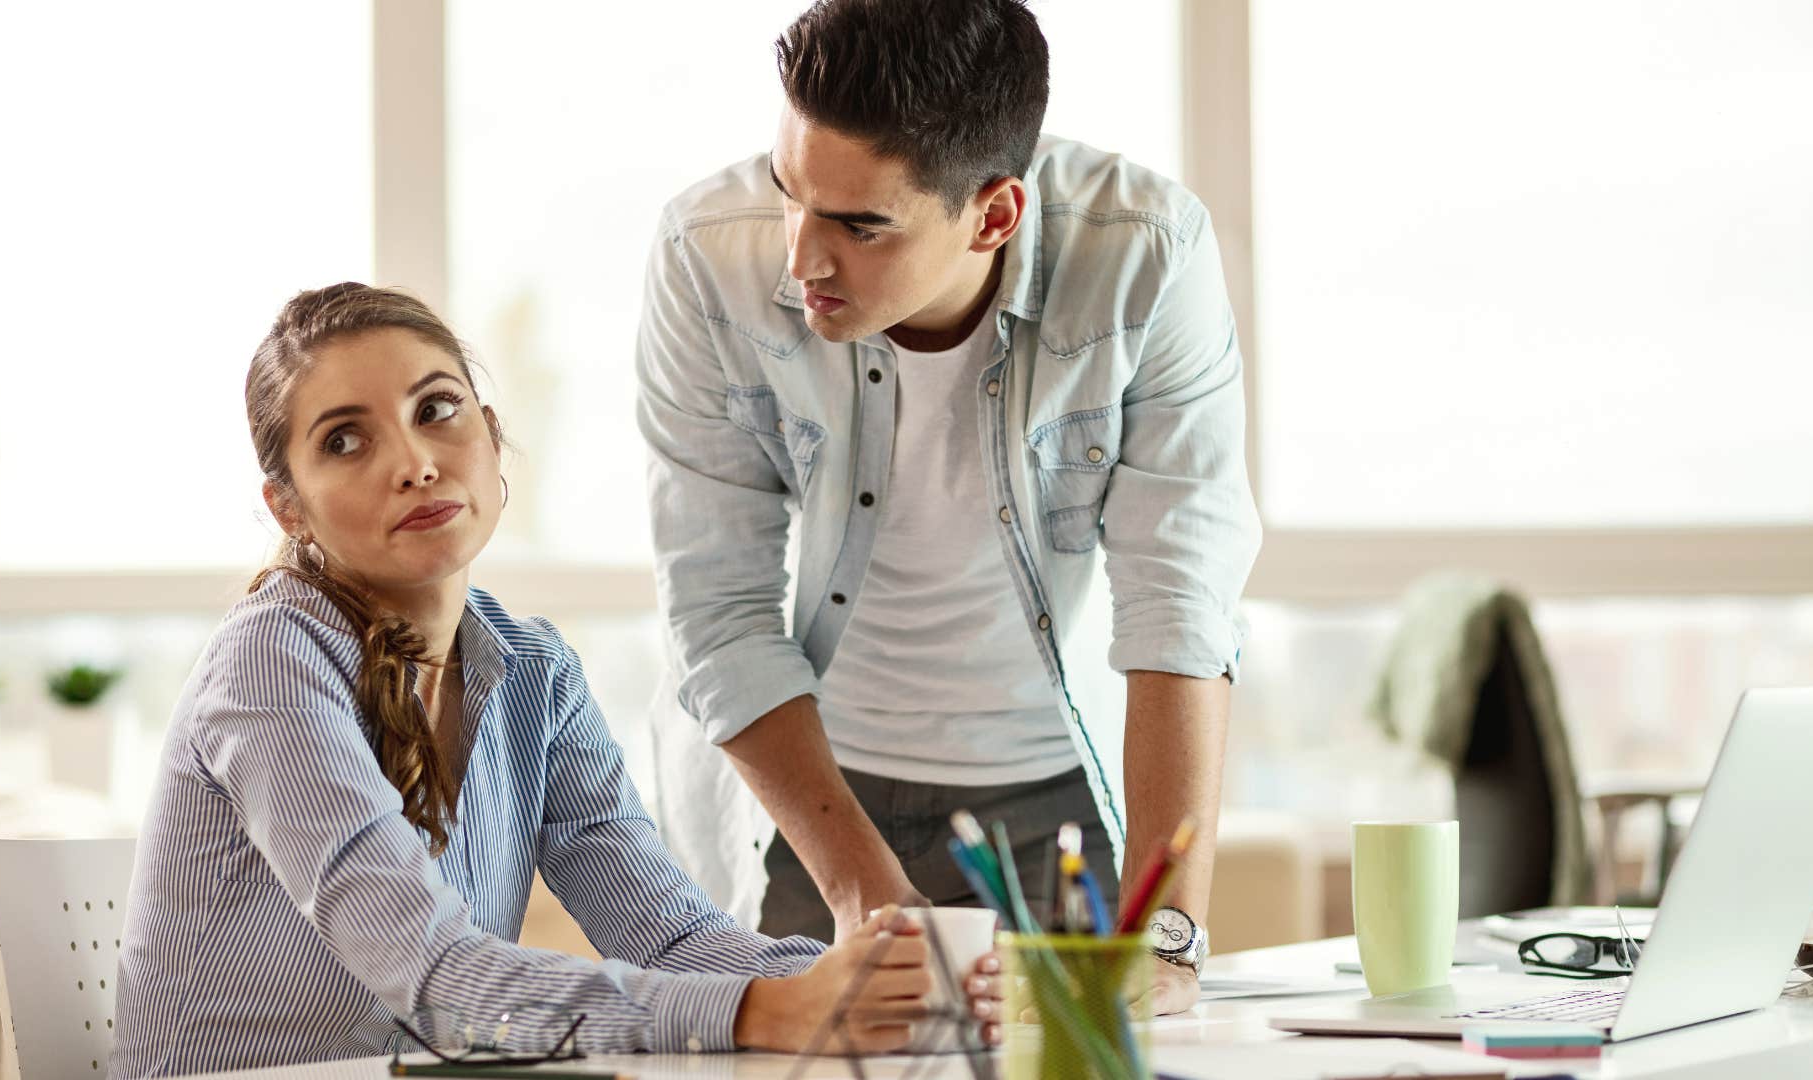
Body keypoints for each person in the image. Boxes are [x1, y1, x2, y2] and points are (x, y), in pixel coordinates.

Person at [112, 284, 1000, 1078]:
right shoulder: (272, 661)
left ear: (492, 439)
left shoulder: (531, 667)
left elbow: (674, 938)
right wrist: (770, 1010)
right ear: (288, 506)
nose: (415, 462)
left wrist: (881, 982)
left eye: (438, 409)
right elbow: (436, 977)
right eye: (345, 440)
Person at [636, 0, 1261, 1015]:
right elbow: (717, 608)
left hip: (1053, 798)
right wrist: (867, 896)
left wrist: (1169, 942)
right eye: (789, 191)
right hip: (808, 794)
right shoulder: (707, 254)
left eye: (859, 224)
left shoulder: (1147, 252)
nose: (801, 261)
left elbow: (1180, 598)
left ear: (995, 213)